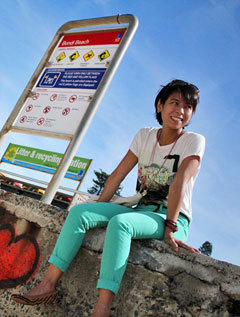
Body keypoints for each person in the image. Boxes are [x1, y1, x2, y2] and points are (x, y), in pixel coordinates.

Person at [11, 79, 205, 316]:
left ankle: (102, 309)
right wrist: (98, 210)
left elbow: (179, 184)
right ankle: (47, 285)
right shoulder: (145, 135)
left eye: (188, 107)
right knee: (81, 212)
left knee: (120, 224)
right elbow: (117, 175)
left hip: (171, 217)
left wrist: (170, 228)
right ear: (159, 105)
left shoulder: (193, 141)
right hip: (139, 209)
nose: (181, 111)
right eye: (175, 103)